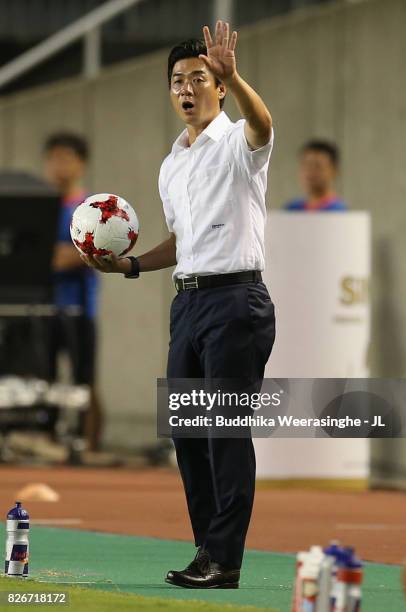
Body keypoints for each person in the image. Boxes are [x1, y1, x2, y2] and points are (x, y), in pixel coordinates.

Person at [82, 21, 275, 589]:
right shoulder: (172, 166)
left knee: (225, 432)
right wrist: (133, 264)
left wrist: (237, 77)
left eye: (198, 78)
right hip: (187, 305)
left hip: (237, 300)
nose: (186, 88)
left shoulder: (239, 142)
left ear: (217, 85)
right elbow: (182, 242)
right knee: (189, 435)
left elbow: (264, 125)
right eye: (176, 81)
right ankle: (206, 550)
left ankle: (227, 560)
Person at [44, 133, 103, 451]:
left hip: (80, 309)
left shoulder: (89, 207)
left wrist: (48, 257)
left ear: (81, 163)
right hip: (43, 309)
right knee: (44, 381)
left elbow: (78, 254)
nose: (59, 166)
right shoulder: (40, 207)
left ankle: (89, 446)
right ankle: (48, 440)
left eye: (66, 158)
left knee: (85, 380)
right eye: (54, 158)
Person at [284, 139, 347, 211]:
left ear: (334, 170)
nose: (311, 172)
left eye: (318, 166)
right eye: (307, 165)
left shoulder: (338, 211)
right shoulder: (292, 208)